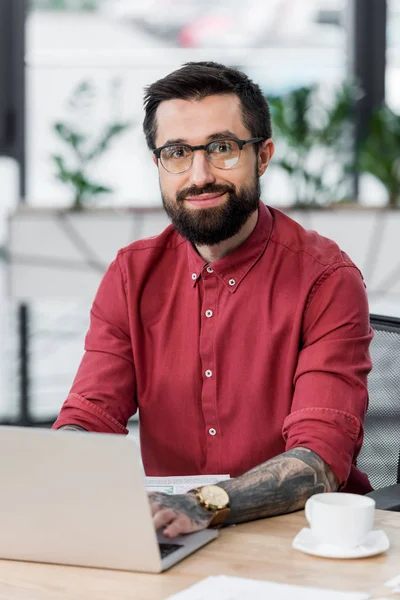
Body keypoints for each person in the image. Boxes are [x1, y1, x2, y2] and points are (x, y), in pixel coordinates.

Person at [53, 61, 373, 538]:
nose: (199, 175)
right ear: (159, 164)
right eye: (178, 152)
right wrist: (56, 470)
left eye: (222, 148)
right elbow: (90, 415)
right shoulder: (130, 274)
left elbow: (320, 457)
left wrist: (203, 505)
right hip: (172, 532)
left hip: (306, 538)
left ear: (262, 156)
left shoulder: (326, 278)